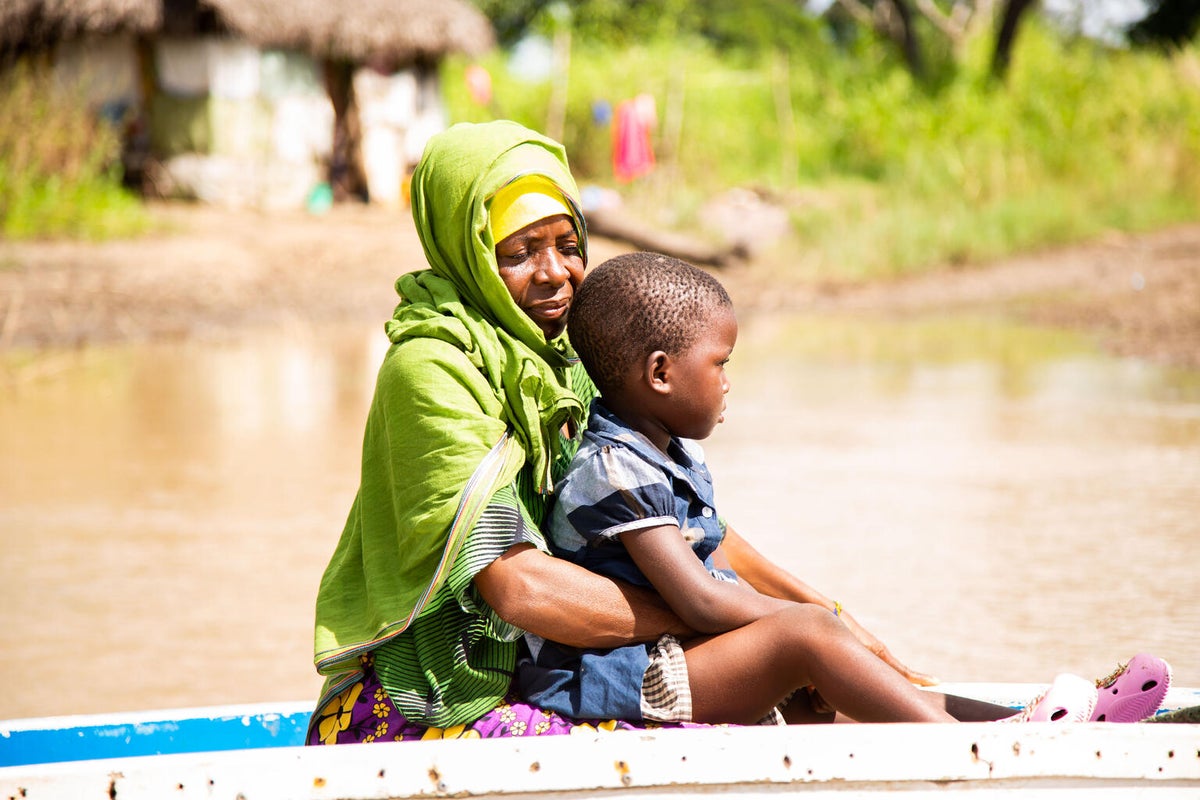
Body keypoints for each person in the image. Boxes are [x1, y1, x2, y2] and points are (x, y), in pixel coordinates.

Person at [515, 251, 1173, 726]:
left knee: (849, 689)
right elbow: (703, 603)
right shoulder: (613, 467)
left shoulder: (659, 451)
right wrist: (820, 627)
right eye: (720, 364)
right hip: (632, 678)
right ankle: (983, 756)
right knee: (808, 637)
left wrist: (824, 636)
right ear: (660, 374)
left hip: (685, 657)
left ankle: (1020, 722)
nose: (727, 382)